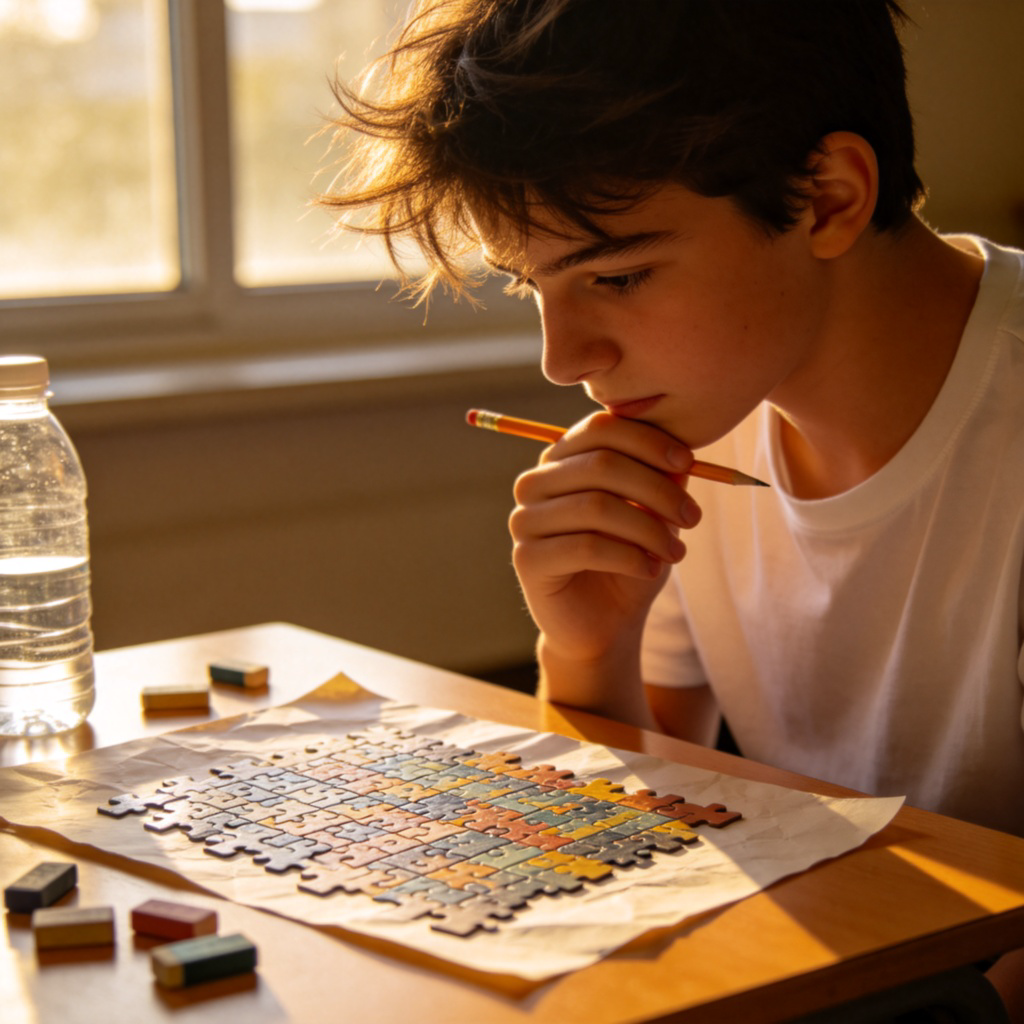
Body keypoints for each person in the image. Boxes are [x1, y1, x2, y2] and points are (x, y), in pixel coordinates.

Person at [318, 2, 1023, 1014]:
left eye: (618, 275)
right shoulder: (709, 405)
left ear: (826, 197)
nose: (563, 361)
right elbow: (640, 814)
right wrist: (590, 642)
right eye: (533, 288)